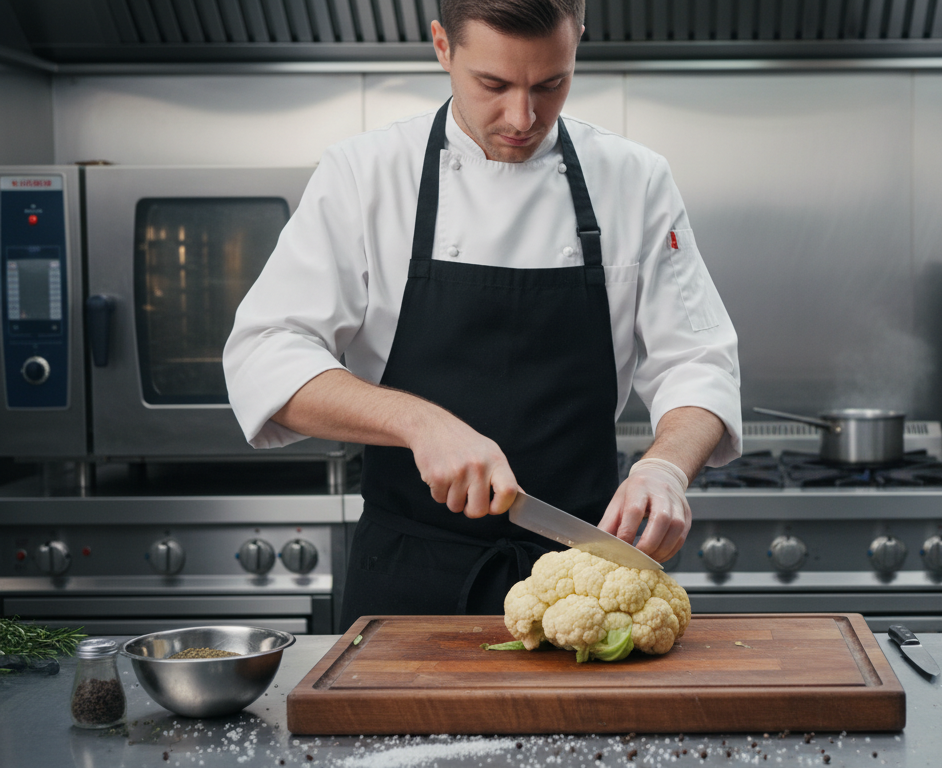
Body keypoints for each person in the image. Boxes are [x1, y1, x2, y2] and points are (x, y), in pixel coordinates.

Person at [222, 0, 741, 629]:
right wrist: (418, 422)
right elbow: (265, 355)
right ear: (443, 46)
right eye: (493, 85)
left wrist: (664, 467)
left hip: (585, 579)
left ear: (577, 39)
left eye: (551, 84)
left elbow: (698, 359)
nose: (523, 118)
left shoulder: (635, 180)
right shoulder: (365, 174)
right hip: (408, 585)